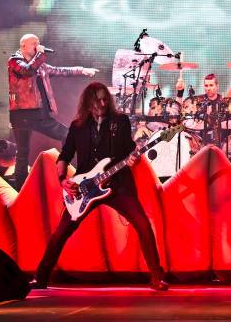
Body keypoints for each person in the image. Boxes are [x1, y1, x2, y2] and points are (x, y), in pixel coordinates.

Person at [31, 82, 169, 291]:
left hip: (118, 185)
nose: (103, 103)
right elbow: (65, 156)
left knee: (142, 224)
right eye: (98, 100)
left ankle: (156, 277)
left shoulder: (120, 121)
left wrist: (133, 160)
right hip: (84, 189)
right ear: (88, 102)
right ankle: (40, 277)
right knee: (61, 232)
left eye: (105, 99)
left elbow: (131, 151)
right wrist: (62, 180)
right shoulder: (77, 126)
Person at [8, 33, 97, 189]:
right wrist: (41, 53)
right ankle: (20, 189)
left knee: (67, 135)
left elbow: (59, 70)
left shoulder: (39, 64)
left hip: (39, 114)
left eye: (38, 43)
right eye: (33, 43)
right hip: (22, 114)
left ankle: (63, 175)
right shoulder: (14, 61)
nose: (37, 45)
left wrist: (82, 70)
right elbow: (28, 71)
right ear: (23, 46)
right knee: (22, 153)